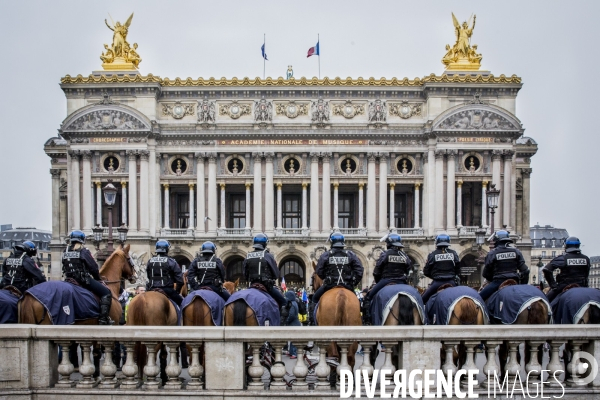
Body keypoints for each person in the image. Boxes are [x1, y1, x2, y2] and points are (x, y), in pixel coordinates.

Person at [310, 232, 364, 325]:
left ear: (332, 242)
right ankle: (365, 318)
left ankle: (312, 322)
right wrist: (353, 282)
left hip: (329, 286)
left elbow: (319, 270)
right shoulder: (350, 254)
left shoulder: (326, 255)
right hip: (347, 286)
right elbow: (359, 270)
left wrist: (327, 279)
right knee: (359, 302)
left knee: (314, 299)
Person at [62, 230, 113, 325]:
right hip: (83, 281)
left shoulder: (65, 251)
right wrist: (98, 278)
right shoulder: (83, 251)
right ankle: (103, 319)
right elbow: (93, 267)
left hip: (68, 280)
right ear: (82, 240)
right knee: (106, 293)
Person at [361, 233, 412, 325]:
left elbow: (377, 271)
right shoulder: (404, 255)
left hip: (386, 280)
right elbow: (408, 268)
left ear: (388, 243)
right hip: (402, 281)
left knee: (368, 297)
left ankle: (367, 321)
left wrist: (378, 280)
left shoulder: (385, 254)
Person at [479, 230, 529, 301]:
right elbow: (526, 271)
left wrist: (492, 278)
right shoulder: (516, 252)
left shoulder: (492, 253)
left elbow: (485, 274)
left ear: (496, 241)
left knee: (479, 298)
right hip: (515, 281)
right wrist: (523, 285)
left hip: (497, 283)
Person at [242, 233, 287, 308]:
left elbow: (245, 274)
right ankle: (281, 319)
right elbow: (276, 274)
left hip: (252, 284)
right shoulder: (268, 255)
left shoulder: (248, 256)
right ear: (265, 244)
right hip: (267, 286)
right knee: (284, 302)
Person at [542, 236, 590, 303]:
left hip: (564, 286)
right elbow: (586, 274)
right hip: (583, 286)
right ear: (578, 245)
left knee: (546, 302)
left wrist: (554, 286)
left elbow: (546, 269)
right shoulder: (586, 259)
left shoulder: (563, 258)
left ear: (566, 246)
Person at [421, 233, 462, 304]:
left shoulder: (432, 254)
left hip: (437, 283)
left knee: (422, 300)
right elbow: (458, 269)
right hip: (451, 282)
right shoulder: (454, 253)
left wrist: (434, 276)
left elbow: (426, 271)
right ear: (448, 242)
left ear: (436, 242)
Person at [146, 240, 184, 307]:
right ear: (167, 249)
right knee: (182, 304)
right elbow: (180, 280)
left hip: (152, 289)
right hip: (167, 290)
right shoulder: (171, 261)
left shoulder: (150, 261)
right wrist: (177, 291)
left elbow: (149, 276)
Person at [284, 290, 301, 358]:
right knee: (292, 338)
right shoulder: (294, 303)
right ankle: (291, 352)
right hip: (295, 323)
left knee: (294, 339)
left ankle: (294, 353)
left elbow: (292, 315)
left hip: (294, 323)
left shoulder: (292, 304)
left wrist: (287, 321)